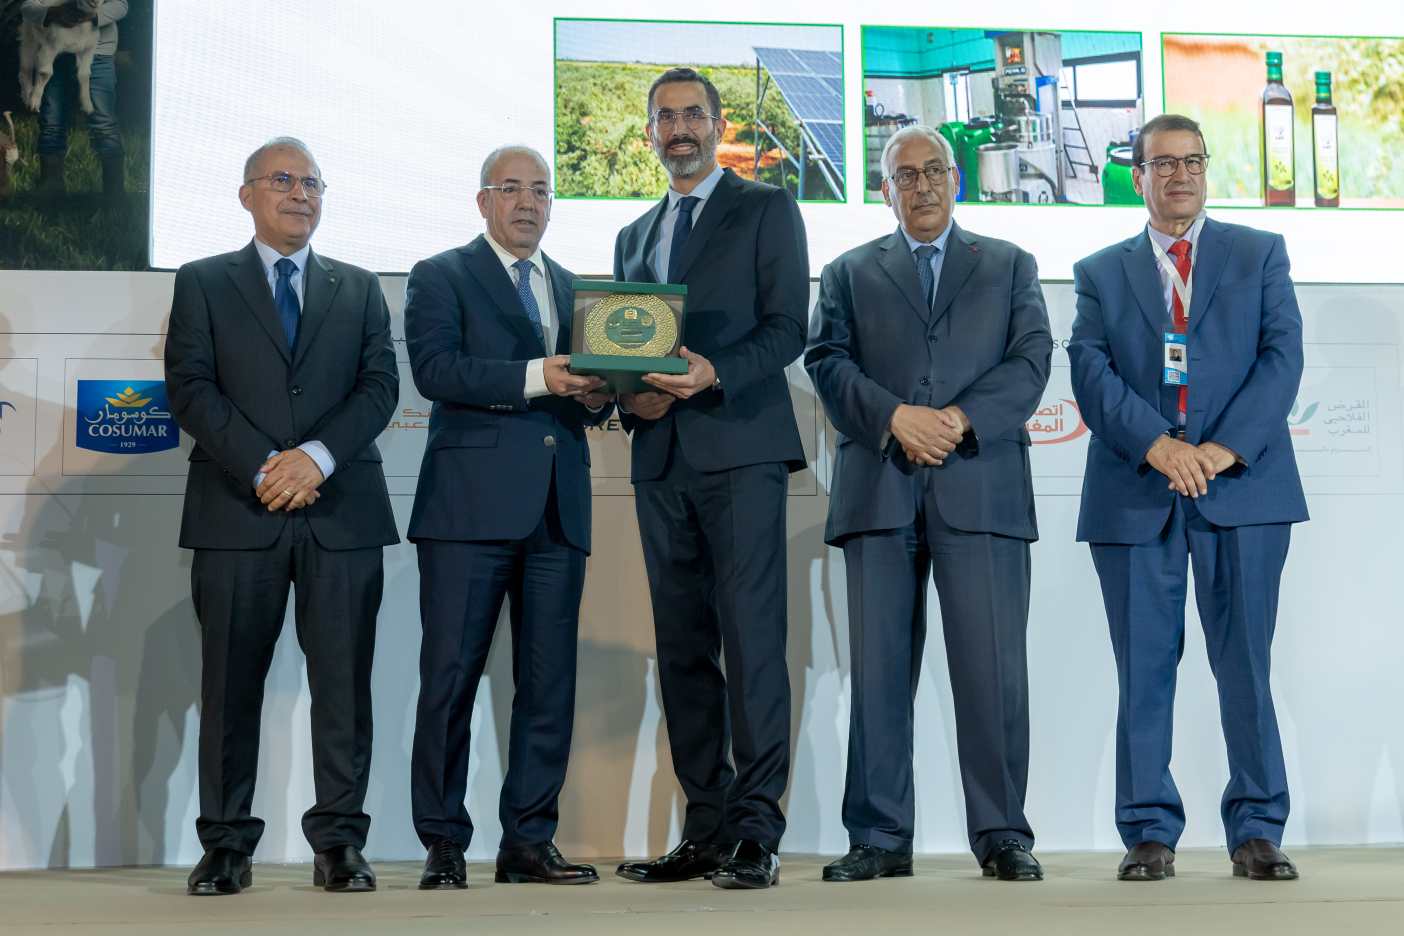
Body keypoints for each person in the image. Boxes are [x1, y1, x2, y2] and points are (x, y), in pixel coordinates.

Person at [805, 125, 1051, 883]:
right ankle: (879, 837)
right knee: (877, 674)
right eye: (905, 175)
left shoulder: (1010, 264)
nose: (922, 185)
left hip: (981, 488)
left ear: (956, 179)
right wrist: (893, 418)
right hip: (879, 491)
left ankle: (1003, 834)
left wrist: (958, 420)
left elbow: (1032, 358)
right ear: (886, 191)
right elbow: (826, 360)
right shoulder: (847, 272)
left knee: (993, 672)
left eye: (935, 170)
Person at [1069, 113, 1308, 883]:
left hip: (1243, 487)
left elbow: (1282, 356)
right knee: (1143, 669)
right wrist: (1159, 446)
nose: (1180, 176)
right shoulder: (1100, 272)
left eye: (1193, 161)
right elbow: (1091, 372)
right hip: (1138, 489)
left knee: (1246, 665)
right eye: (1163, 164)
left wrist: (1219, 449)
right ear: (1136, 176)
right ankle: (1147, 830)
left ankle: (1258, 828)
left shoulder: (1258, 253)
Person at [164, 137, 399, 895]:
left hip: (341, 510)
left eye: (313, 183)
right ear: (247, 195)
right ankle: (226, 846)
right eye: (284, 180)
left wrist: (316, 459)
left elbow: (380, 388)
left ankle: (340, 842)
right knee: (229, 687)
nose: (301, 194)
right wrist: (269, 466)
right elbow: (190, 387)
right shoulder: (202, 281)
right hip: (238, 509)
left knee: (344, 688)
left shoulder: (360, 287)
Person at [610, 67, 808, 890]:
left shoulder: (767, 208)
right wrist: (630, 399)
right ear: (650, 133)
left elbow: (789, 328)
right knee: (683, 651)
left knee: (753, 645)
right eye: (666, 118)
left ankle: (756, 832)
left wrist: (712, 372)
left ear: (719, 126)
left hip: (741, 453)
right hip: (660, 461)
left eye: (693, 115)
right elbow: (622, 350)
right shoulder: (632, 235)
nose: (680, 129)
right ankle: (705, 828)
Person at [404, 145, 610, 890]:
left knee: (549, 684)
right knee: (450, 680)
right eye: (512, 189)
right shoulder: (440, 274)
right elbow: (435, 370)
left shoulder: (579, 290)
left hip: (558, 508)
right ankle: (443, 842)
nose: (528, 203)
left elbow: (591, 395)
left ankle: (528, 841)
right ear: (483, 200)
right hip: (468, 510)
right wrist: (538, 376)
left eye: (541, 191)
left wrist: (599, 395)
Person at [20, 0, 128, 197]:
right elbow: (27, 6)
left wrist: (93, 16)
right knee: (51, 121)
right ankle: (50, 191)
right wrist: (53, 13)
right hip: (54, 51)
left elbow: (121, 5)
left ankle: (115, 195)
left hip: (97, 53)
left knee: (103, 122)